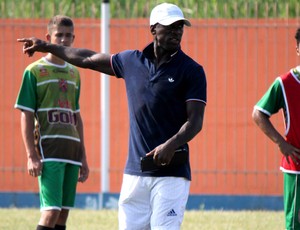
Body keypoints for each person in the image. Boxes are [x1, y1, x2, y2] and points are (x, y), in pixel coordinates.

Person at [17, 3, 206, 230]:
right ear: (153, 29)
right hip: (135, 174)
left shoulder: (192, 70)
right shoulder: (131, 61)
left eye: (180, 27)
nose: (177, 32)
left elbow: (195, 122)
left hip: (172, 175)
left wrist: (171, 145)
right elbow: (87, 58)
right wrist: (46, 46)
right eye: (170, 26)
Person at [15, 15, 89, 230]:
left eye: (68, 36)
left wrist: (83, 156)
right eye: (59, 35)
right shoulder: (34, 71)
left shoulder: (74, 72)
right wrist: (31, 155)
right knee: (50, 212)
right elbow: (26, 114)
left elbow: (76, 115)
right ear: (48, 37)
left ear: (73, 38)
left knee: (63, 214)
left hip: (71, 151)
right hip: (49, 150)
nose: (64, 40)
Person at [252, 28, 300, 230]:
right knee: (295, 222)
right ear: (298, 49)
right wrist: (282, 144)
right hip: (297, 167)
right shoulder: (285, 82)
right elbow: (258, 113)